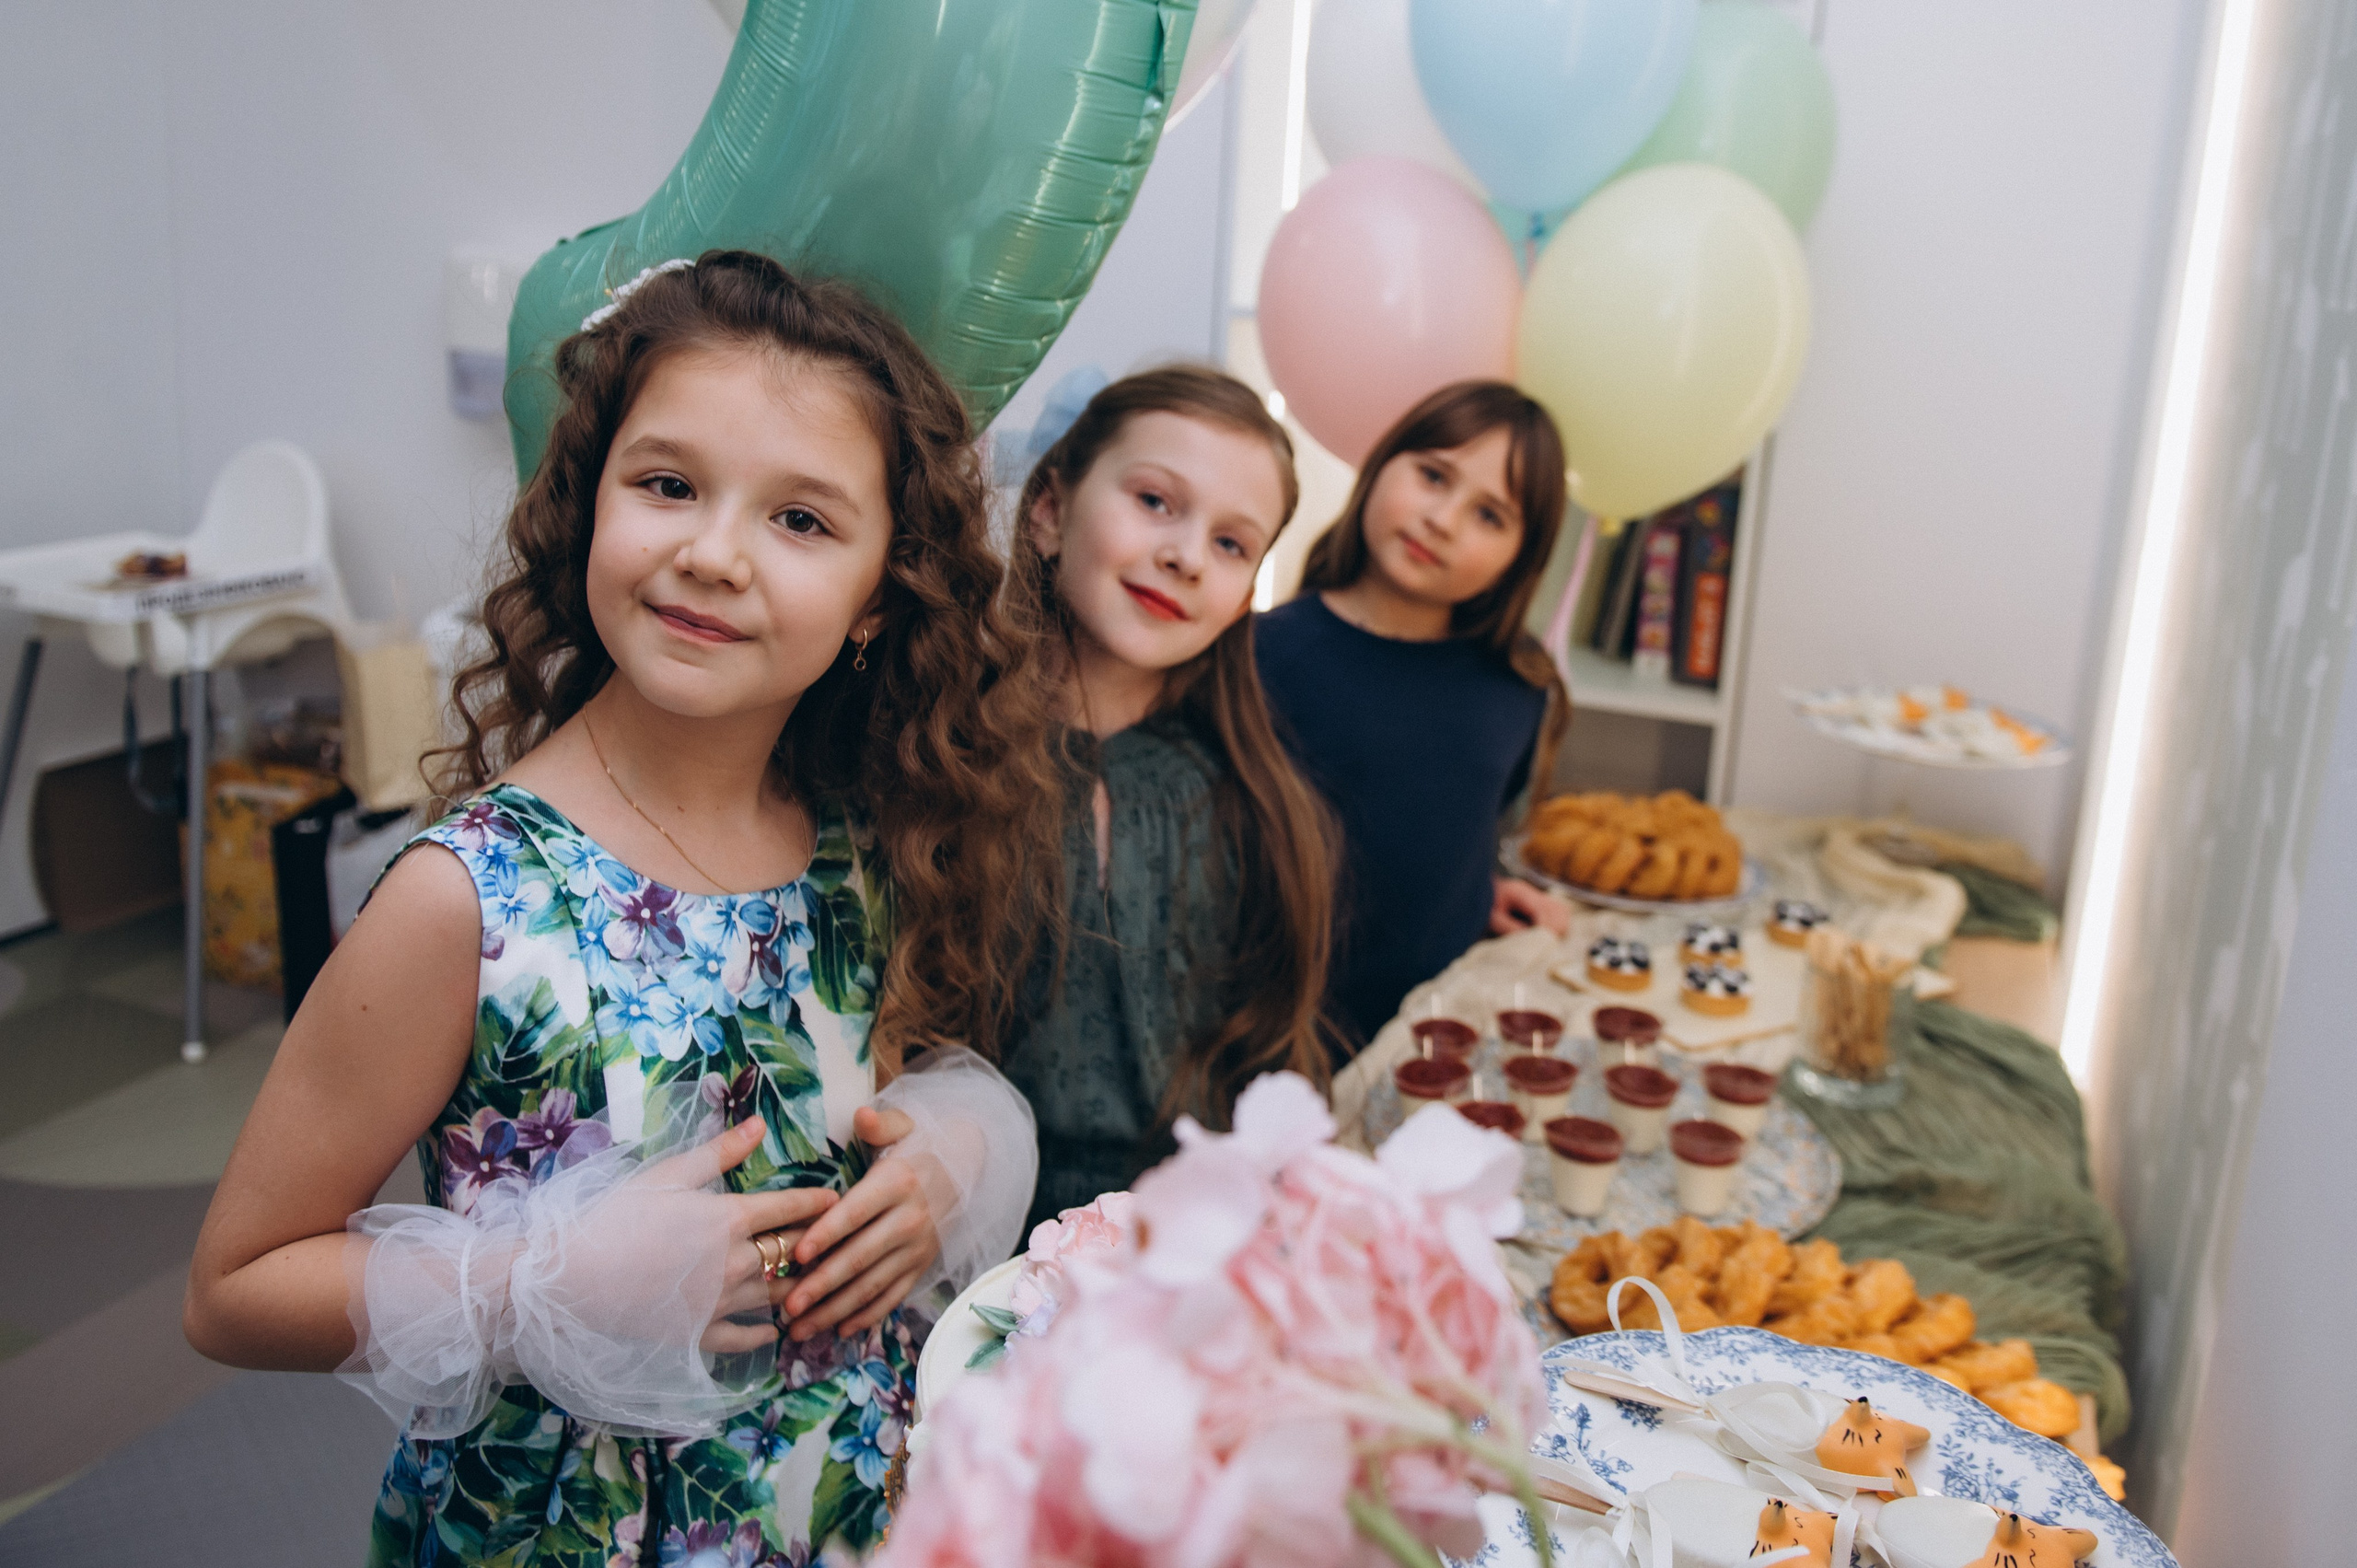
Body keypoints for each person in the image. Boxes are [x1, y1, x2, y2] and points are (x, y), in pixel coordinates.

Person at [182, 252, 1064, 1566]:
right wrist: (537, 1285)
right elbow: (232, 1291)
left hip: (843, 1508)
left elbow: (872, 1092)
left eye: (802, 520)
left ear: (880, 596)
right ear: (590, 501)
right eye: (668, 485)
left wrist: (947, 1146)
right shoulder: (465, 901)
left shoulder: (856, 849)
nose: (712, 553)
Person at [998, 366, 1337, 1233]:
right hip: (970, 1247)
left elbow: (1266, 1075)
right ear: (1048, 510)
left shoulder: (1251, 804)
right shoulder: (940, 763)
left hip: (1186, 1248)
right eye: (1155, 500)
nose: (1187, 554)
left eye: (1232, 544)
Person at [1256, 380, 1575, 1057]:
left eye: (1490, 515)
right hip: (1280, 1042)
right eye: (1434, 476)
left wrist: (1482, 889)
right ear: (1381, 466)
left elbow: (1452, 826)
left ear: (1521, 557)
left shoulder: (1518, 686)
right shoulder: (1262, 656)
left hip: (1441, 1043)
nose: (1444, 519)